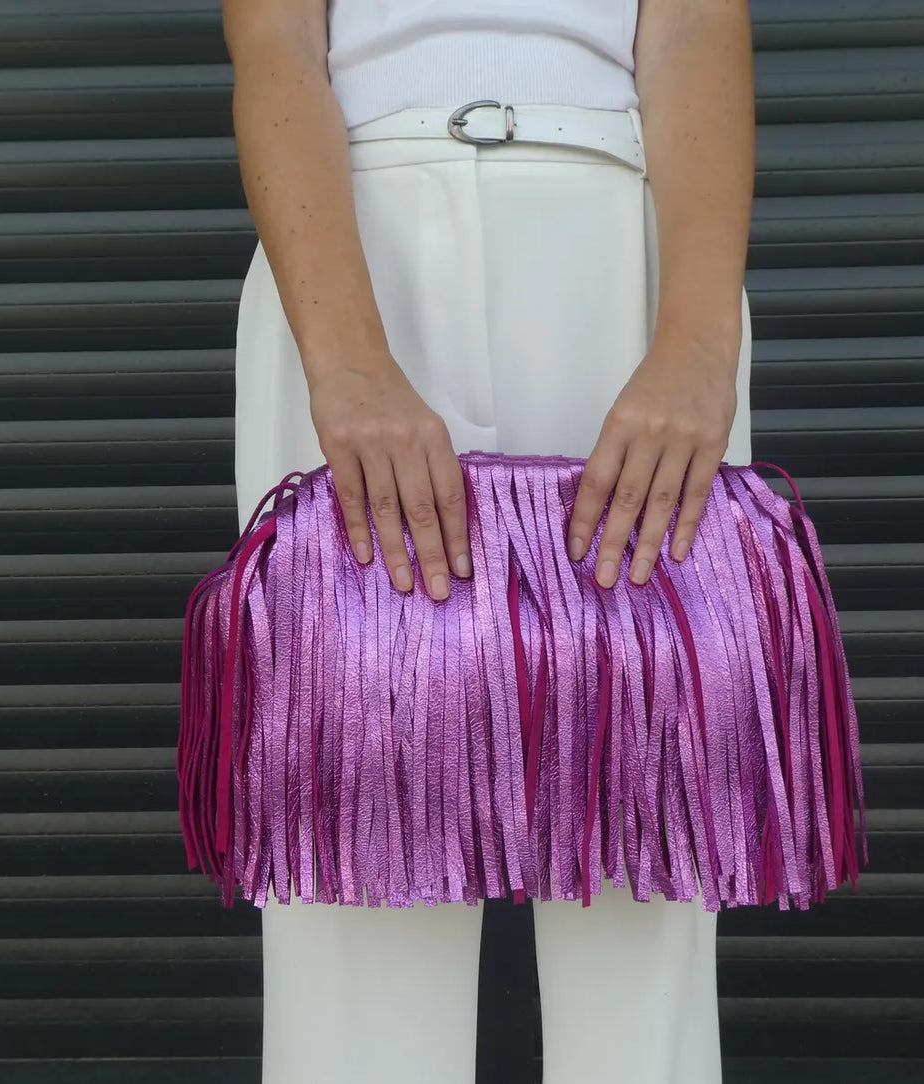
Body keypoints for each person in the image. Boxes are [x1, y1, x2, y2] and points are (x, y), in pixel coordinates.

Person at [221, 0, 755, 1081]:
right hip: (353, 243)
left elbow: (695, 24)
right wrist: (344, 361)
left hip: (624, 235)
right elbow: (274, 40)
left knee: (645, 850)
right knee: (354, 849)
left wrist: (700, 344)